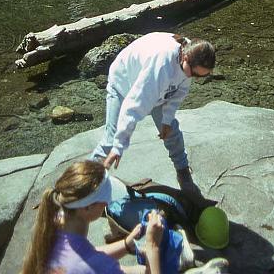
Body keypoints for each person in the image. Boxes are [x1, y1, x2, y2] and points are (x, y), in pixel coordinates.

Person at [91, 32, 215, 191]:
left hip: (158, 88)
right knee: (111, 140)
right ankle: (85, 184)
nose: (194, 77)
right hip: (124, 84)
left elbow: (179, 92)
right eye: (194, 73)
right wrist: (119, 146)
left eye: (199, 76)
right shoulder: (162, 64)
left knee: (172, 132)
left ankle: (183, 173)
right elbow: (134, 106)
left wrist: (167, 120)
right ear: (185, 58)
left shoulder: (193, 54)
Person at [20, 159, 164, 274]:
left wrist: (127, 244)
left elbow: (89, 255)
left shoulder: (51, 231)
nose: (107, 204)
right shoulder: (98, 266)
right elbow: (94, 263)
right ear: (87, 208)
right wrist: (153, 247)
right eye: (105, 201)